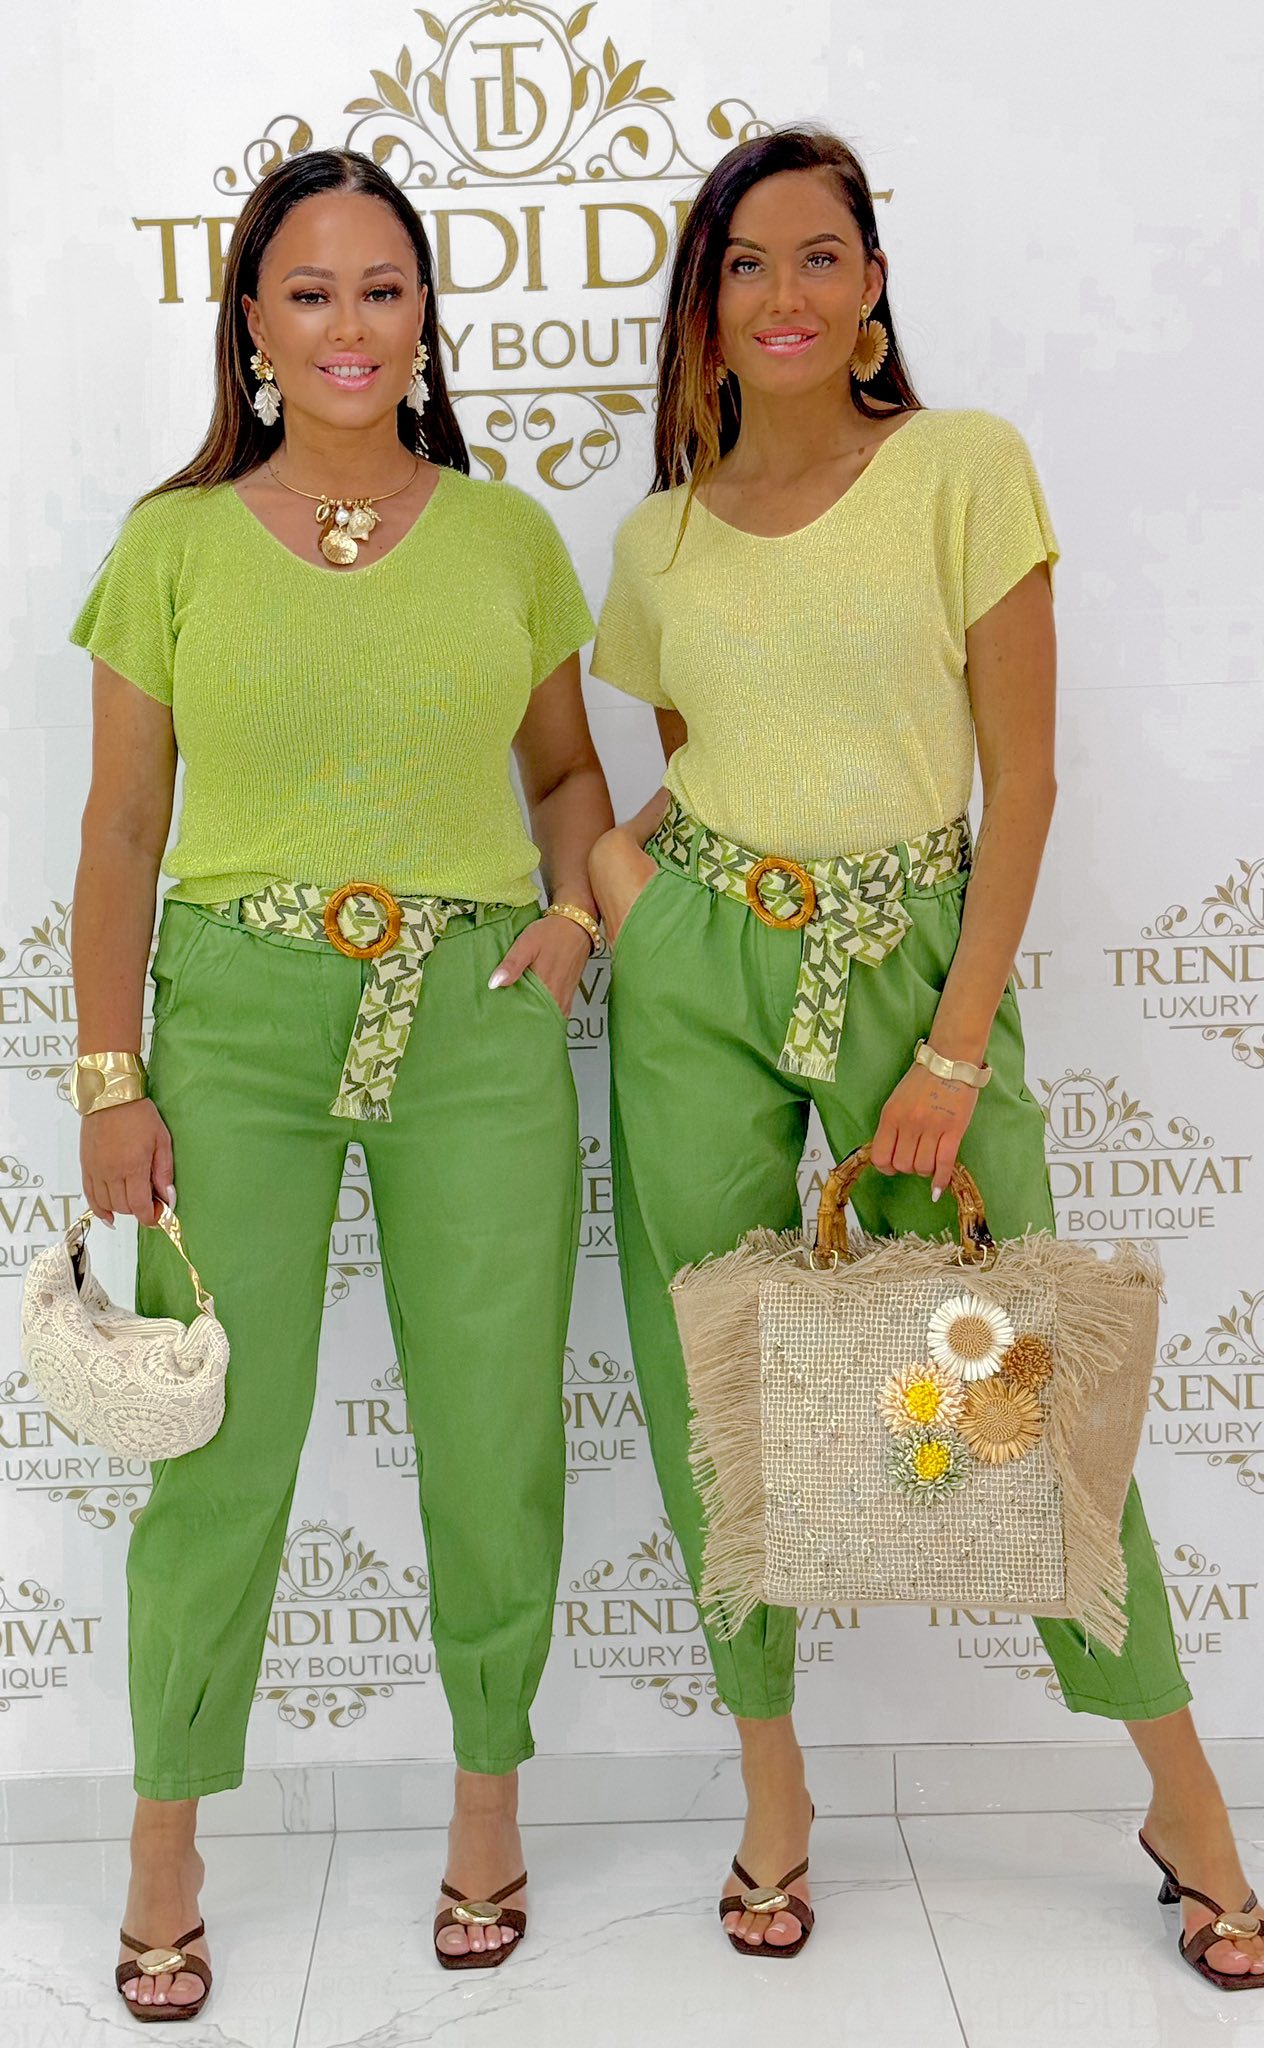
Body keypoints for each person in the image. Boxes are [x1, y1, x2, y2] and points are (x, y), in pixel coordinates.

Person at [589, 126, 1263, 1986]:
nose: (783, 295)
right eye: (744, 264)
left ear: (875, 279)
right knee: (711, 1384)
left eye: (820, 256)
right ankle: (775, 1788)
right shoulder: (659, 538)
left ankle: (1186, 1800)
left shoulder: (963, 467)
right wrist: (614, 886)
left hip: (915, 969)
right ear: (704, 305)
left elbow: (1020, 781)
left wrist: (955, 1052)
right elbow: (703, 760)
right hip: (700, 970)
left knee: (1013, 1381)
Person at [70, 147, 610, 2015]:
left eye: (382, 288)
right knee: (217, 1438)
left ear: (425, 313)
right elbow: (123, 829)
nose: (349, 325)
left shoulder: (508, 538)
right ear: (252, 320)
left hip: (474, 1017)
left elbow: (565, 775)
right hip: (237, 1019)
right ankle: (164, 1837)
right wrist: (109, 1074)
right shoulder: (172, 546)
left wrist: (573, 919)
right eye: (310, 291)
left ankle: (488, 1802)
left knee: (492, 1423)